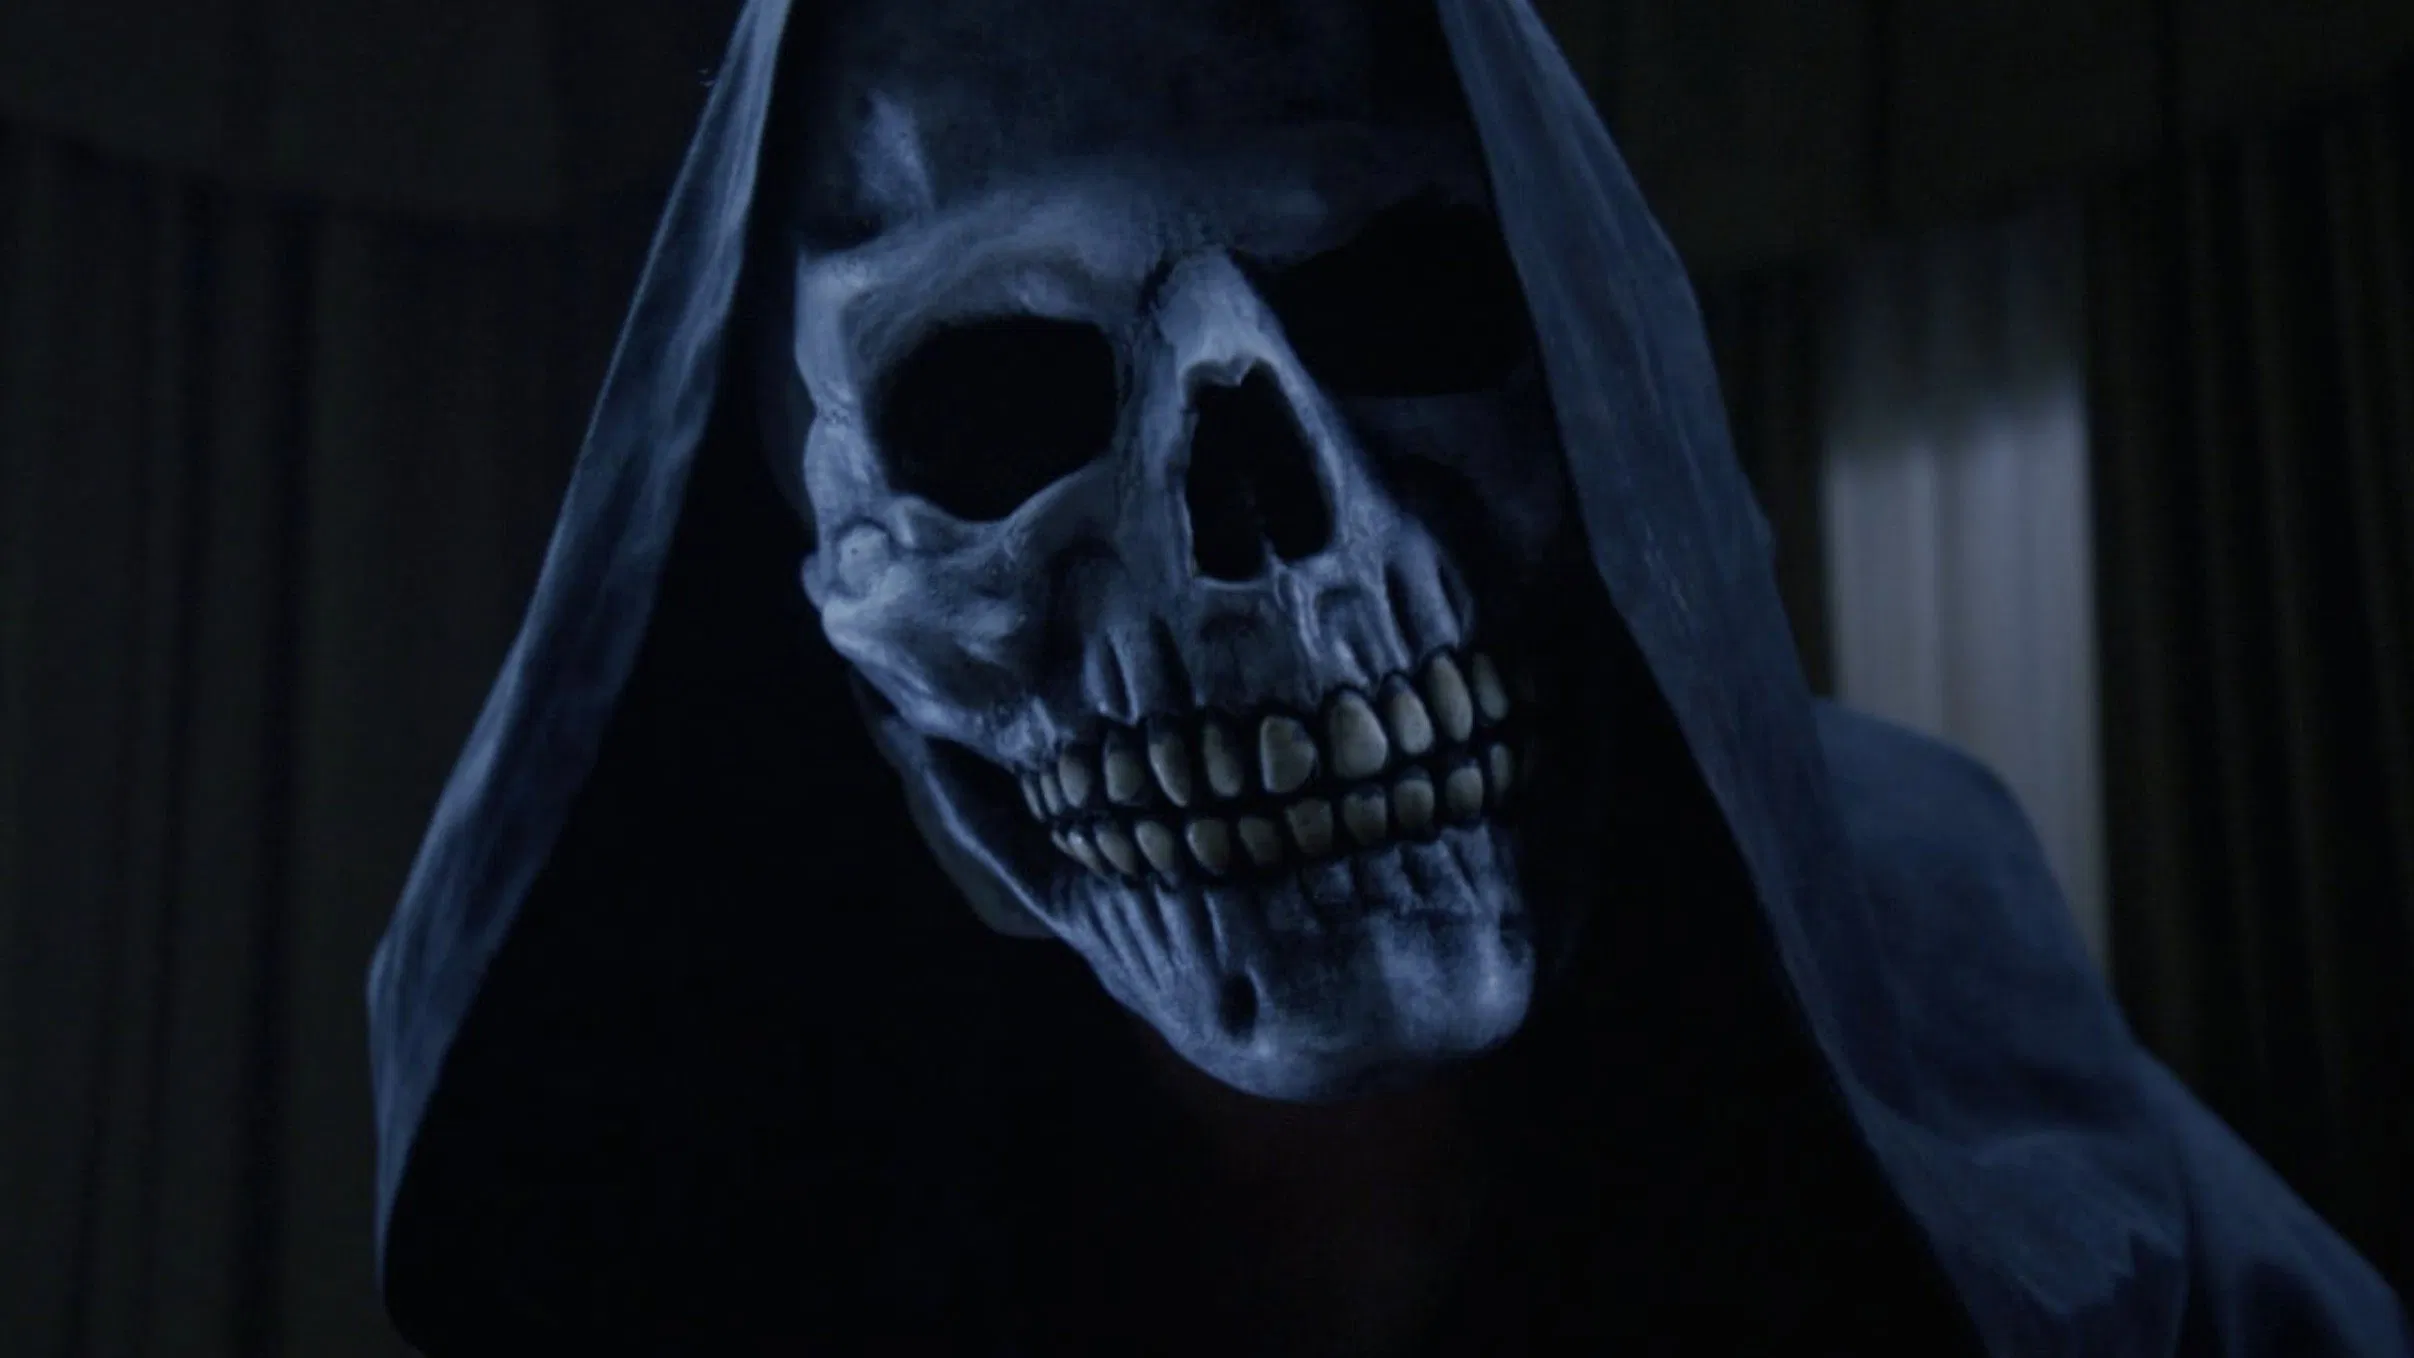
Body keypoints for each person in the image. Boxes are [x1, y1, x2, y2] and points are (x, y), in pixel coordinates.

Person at [365, 2, 2414, 1352]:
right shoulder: (754, 1201)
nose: (1270, 537)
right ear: (827, 571)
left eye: (1397, 302)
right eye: (994, 394)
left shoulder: (1931, 963)